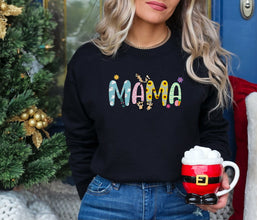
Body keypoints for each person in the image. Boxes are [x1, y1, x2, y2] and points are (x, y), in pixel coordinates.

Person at [62, 0, 233, 219]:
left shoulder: (199, 61)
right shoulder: (87, 62)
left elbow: (214, 133)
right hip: (106, 204)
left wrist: (216, 172)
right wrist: (92, 194)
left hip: (181, 203)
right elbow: (79, 140)